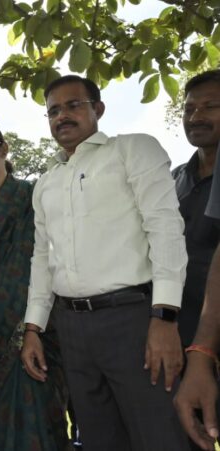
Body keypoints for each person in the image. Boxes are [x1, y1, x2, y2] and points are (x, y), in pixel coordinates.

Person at [21, 75, 190, 451]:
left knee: (160, 434)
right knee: (100, 438)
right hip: (72, 329)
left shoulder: (132, 150)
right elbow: (43, 257)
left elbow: (165, 230)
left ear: (97, 109)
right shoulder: (46, 182)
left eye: (73, 105)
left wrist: (165, 317)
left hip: (132, 320)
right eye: (53, 111)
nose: (62, 116)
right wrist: (33, 326)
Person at [0, 122, 70, 451]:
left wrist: (30, 329)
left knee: (35, 419)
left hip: (32, 330)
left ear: (2, 149)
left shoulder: (30, 196)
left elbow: (43, 260)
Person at [174, 72, 220, 451]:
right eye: (189, 108)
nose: (196, 116)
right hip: (179, 349)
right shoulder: (174, 180)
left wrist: (204, 351)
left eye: (211, 106)